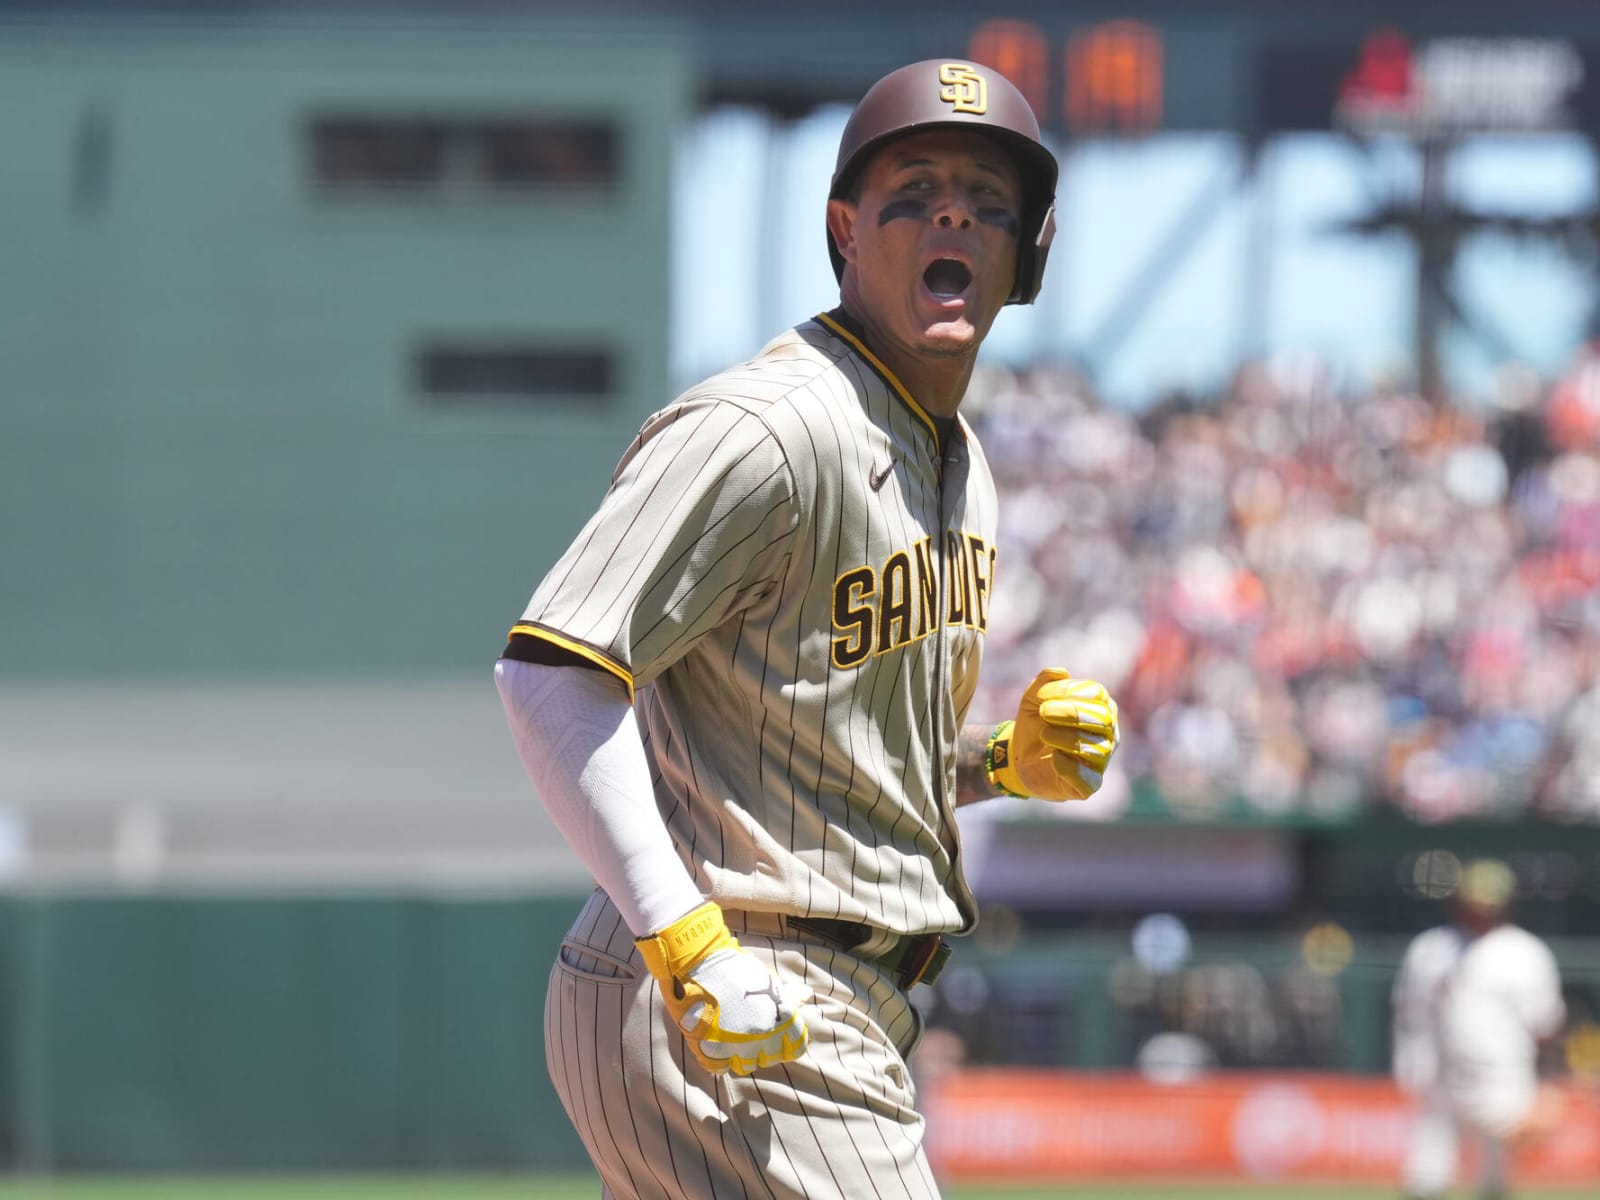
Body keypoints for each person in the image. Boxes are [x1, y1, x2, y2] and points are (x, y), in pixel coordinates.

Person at [494, 58, 1120, 1199]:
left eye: (987, 201)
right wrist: (685, 942)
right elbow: (548, 672)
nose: (952, 215)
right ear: (844, 228)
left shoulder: (957, 463)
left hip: (795, 978)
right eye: (915, 188)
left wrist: (996, 764)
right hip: (739, 975)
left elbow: (820, 754)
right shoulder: (768, 426)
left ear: (1028, 252)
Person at [1391, 858, 1568, 1200]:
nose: (1478, 912)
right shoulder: (1431, 949)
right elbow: (1410, 1015)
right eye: (1472, 903)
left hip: (1503, 1078)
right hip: (1441, 1075)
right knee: (1424, 1175)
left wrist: (1549, 1088)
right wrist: (1411, 1062)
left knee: (1494, 1179)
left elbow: (1547, 1027)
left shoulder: (1525, 953)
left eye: (1487, 904)